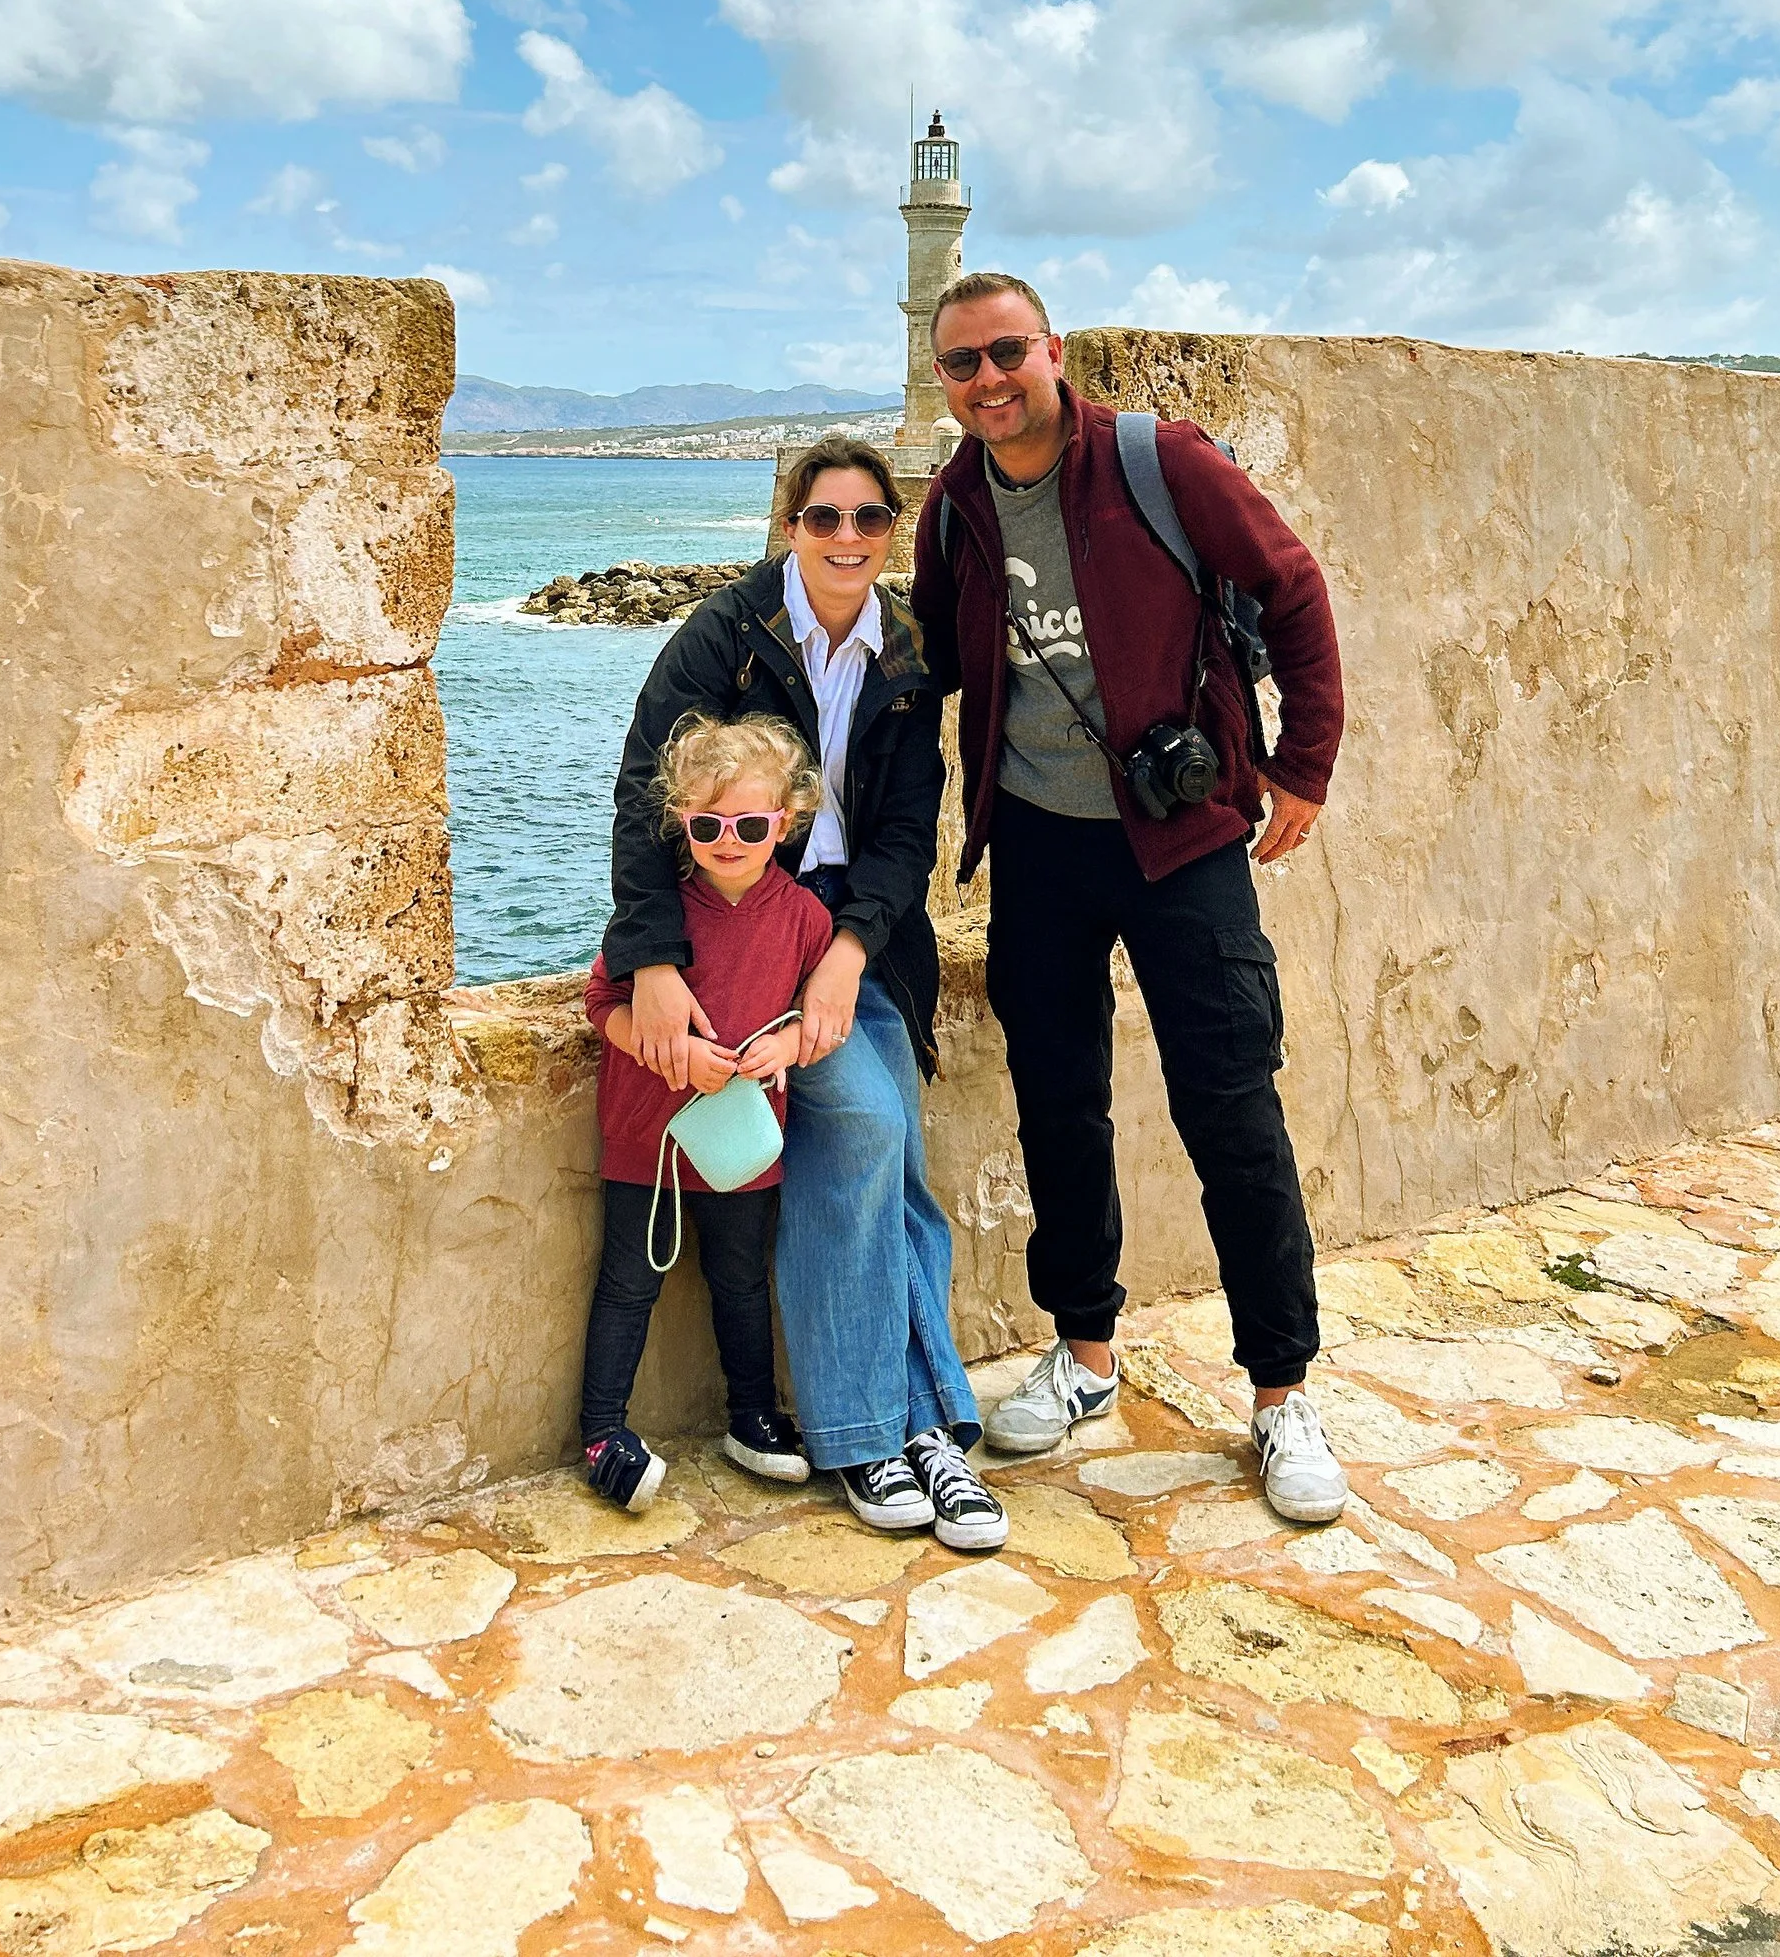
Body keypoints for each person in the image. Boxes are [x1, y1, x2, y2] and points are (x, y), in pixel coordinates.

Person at [912, 271, 1350, 1523]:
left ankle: (1280, 1393)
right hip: (1043, 846)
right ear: (942, 380)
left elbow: (1293, 590)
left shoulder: (1159, 461)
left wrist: (1300, 767)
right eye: (961, 364)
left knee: (1229, 1107)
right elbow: (932, 662)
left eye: (1005, 353)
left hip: (1182, 840)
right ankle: (1085, 1351)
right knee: (1060, 1107)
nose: (987, 380)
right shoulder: (954, 510)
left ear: (1050, 350)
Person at [600, 437, 1005, 1549]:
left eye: (870, 520)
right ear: (789, 526)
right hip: (737, 933)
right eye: (823, 518)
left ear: (891, 530)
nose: (846, 539)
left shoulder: (908, 647)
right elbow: (646, 797)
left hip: (847, 934)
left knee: (891, 1148)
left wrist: (847, 956)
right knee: (869, 1133)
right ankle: (885, 1430)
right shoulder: (723, 634)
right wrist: (654, 964)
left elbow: (905, 825)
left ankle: (915, 1430)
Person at [577, 714, 825, 1509]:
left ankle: (750, 1414)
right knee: (628, 1283)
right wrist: (670, 1054)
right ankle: (602, 1428)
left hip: (744, 1145)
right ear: (682, 820)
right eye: (709, 824)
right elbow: (600, 1000)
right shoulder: (657, 917)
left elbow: (821, 1016)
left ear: (783, 823)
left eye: (751, 824)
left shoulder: (804, 919)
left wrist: (786, 1047)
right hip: (647, 1136)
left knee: (741, 1281)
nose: (730, 840)